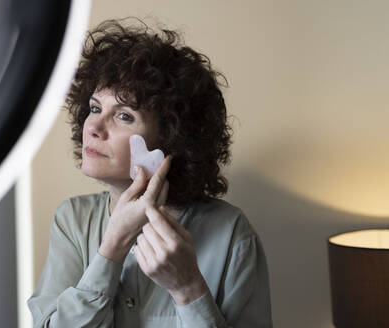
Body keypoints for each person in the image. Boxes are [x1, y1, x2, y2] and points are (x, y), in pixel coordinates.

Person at [28, 18, 272, 328]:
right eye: (93, 108)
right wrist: (112, 247)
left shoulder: (231, 234)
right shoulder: (72, 221)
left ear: (171, 138)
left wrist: (188, 289)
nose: (94, 127)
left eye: (124, 116)